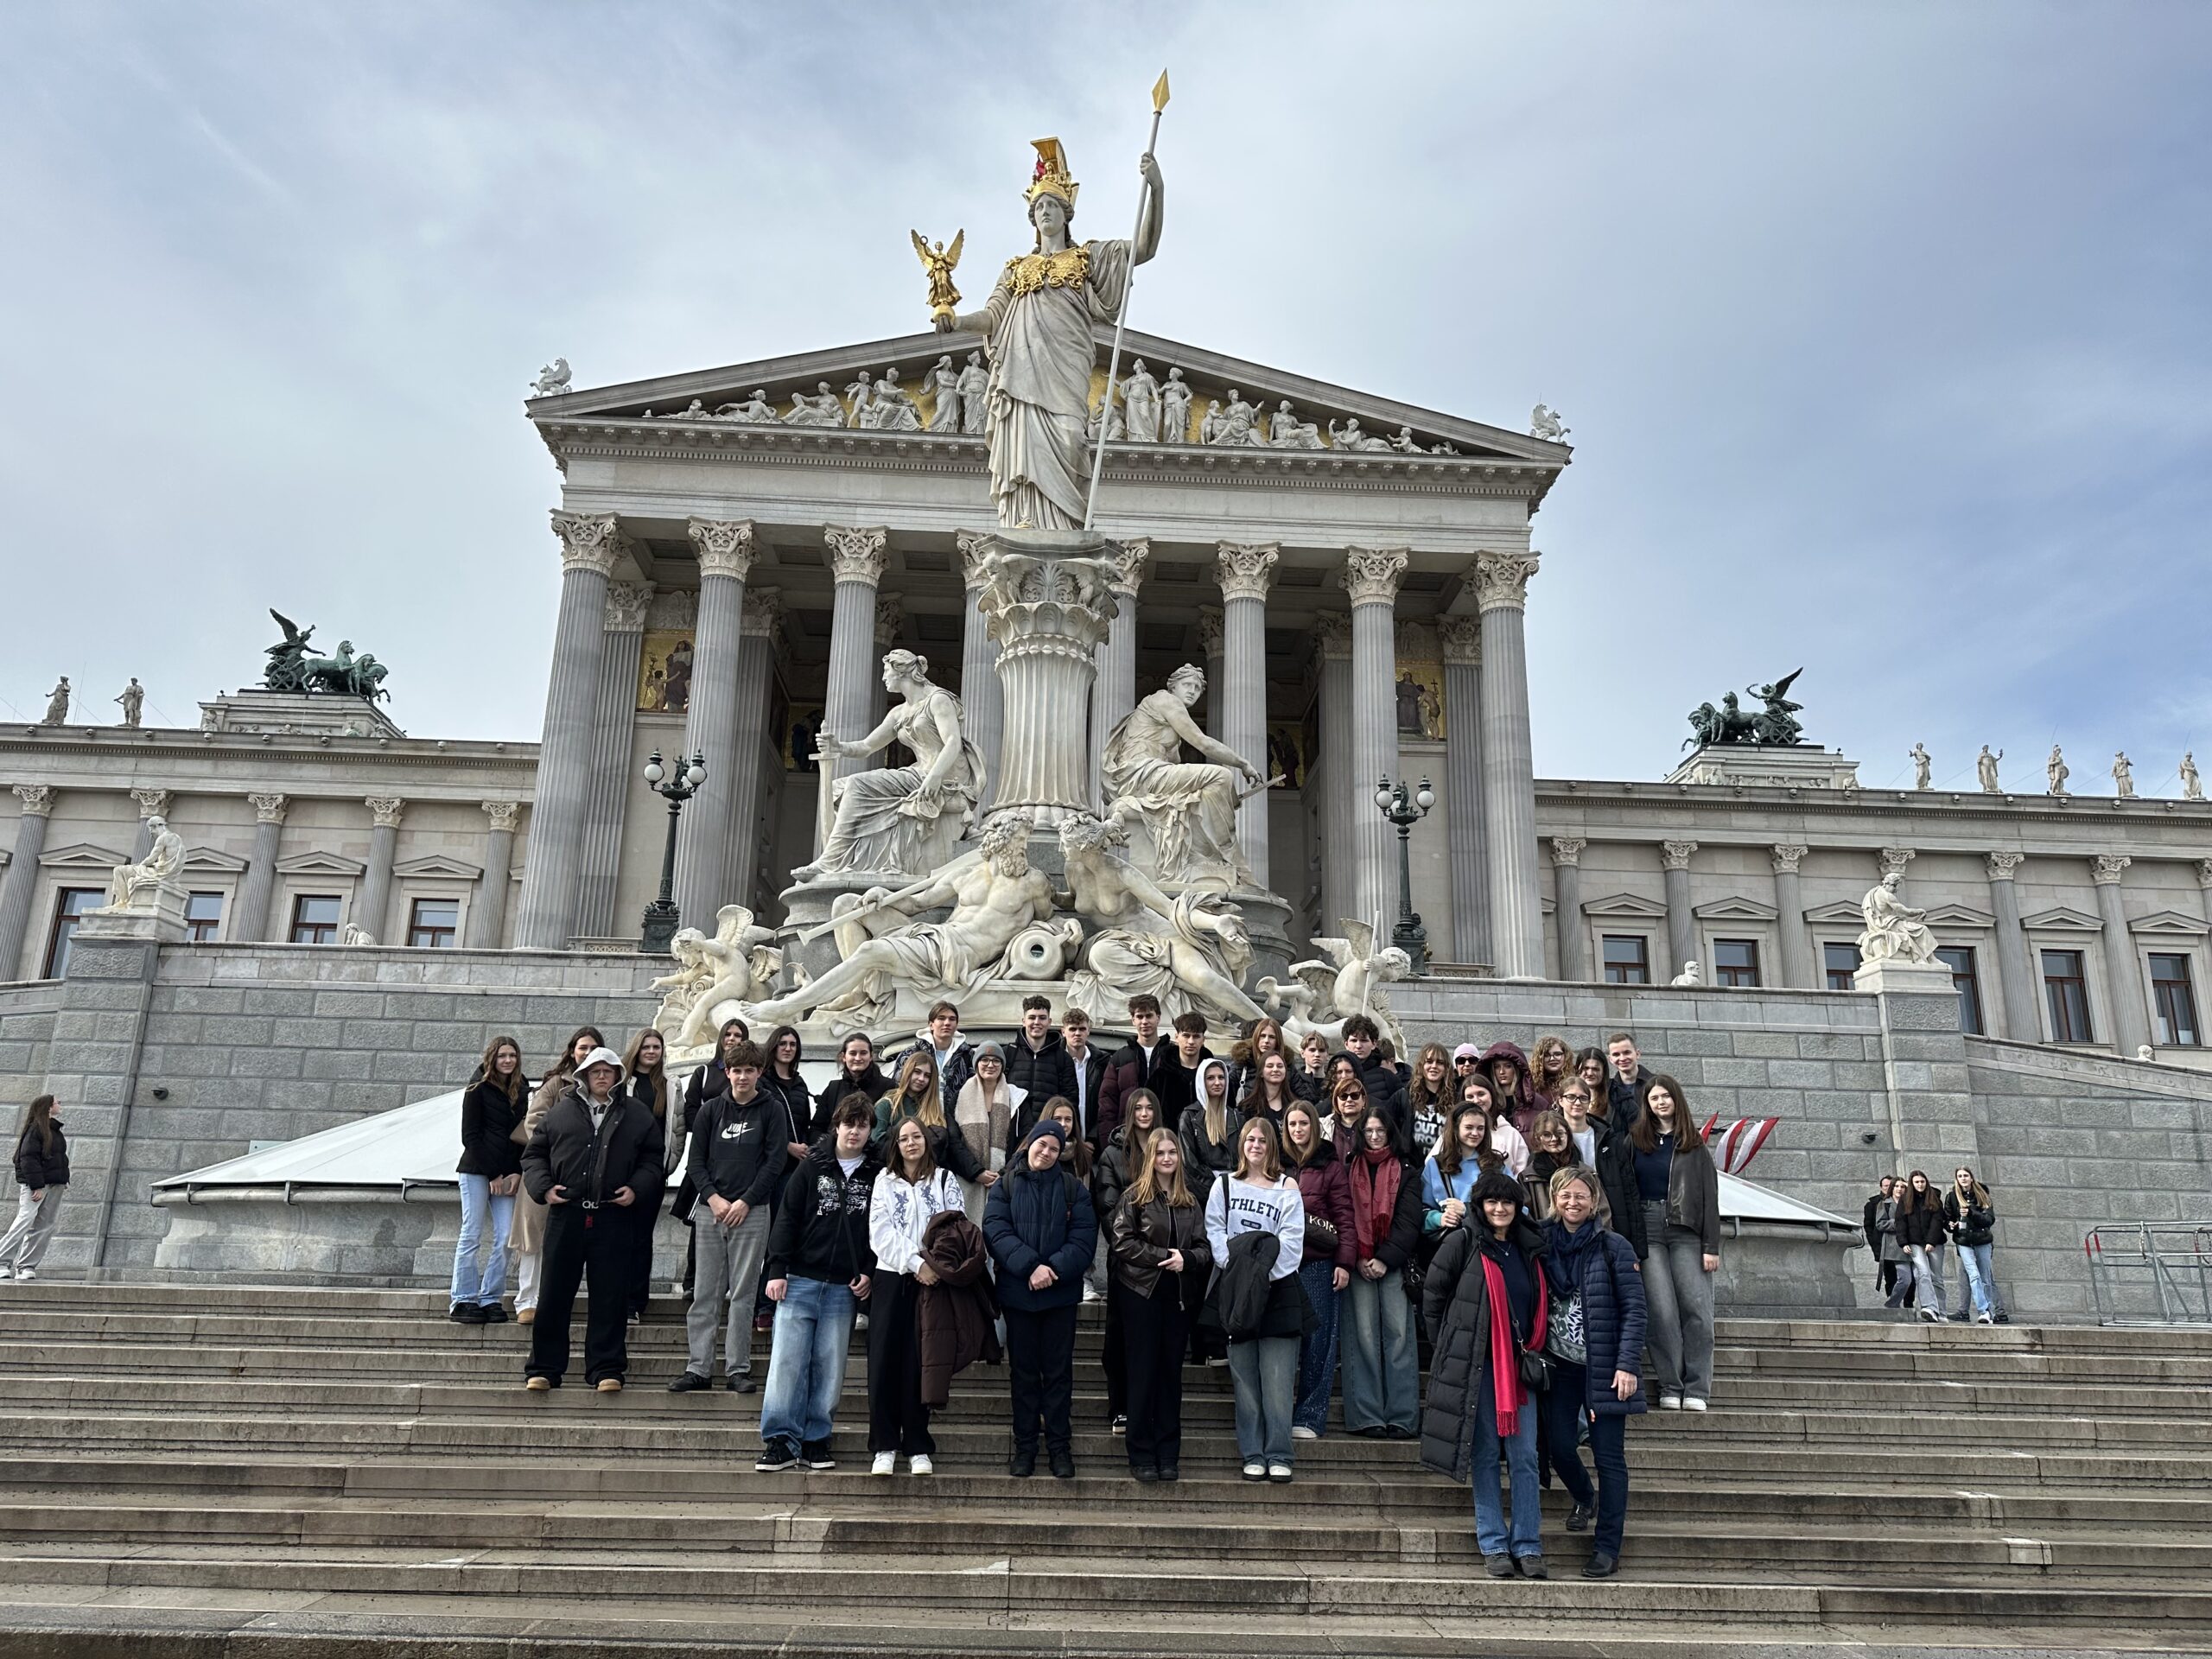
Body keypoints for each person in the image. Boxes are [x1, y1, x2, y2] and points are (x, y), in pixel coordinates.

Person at [1421, 1168, 1551, 1580]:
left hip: (1521, 1369)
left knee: (1525, 1458)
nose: (1500, 1209)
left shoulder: (1529, 1246)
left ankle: (1527, 1545)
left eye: (1507, 1202)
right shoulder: (1462, 1242)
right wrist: (1450, 1348)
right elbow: (1433, 1296)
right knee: (1485, 1455)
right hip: (1478, 1367)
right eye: (1492, 1202)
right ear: (1479, 1205)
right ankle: (1494, 1542)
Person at [520, 1046, 665, 1393]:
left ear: (618, 1075)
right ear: (584, 1075)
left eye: (608, 1071)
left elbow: (653, 1159)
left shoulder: (637, 1113)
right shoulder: (561, 1111)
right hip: (566, 1215)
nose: (602, 1076)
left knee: (610, 1296)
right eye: (595, 1071)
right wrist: (544, 1188)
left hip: (613, 1216)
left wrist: (636, 1188)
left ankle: (606, 1369)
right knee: (554, 1294)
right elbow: (534, 1155)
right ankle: (544, 1369)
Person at [757, 1098, 880, 1472]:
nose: (855, 1132)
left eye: (862, 1125)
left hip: (844, 1287)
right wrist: (777, 1269)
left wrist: (869, 1271)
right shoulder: (812, 1165)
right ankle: (781, 1439)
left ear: (870, 1130)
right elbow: (787, 1217)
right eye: (849, 1124)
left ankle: (816, 1439)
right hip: (800, 1279)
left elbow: (880, 1229)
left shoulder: (877, 1173)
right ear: (837, 1126)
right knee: (787, 1363)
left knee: (830, 1366)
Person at [1540, 1166, 1648, 1578]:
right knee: (1559, 1446)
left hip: (1604, 1368)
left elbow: (1635, 1309)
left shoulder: (1614, 1246)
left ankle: (1607, 1547)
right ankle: (1585, 1497)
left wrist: (1627, 1364)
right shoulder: (1541, 1240)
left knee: (1609, 1459)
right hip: (1560, 1366)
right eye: (1565, 1195)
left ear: (1594, 1200)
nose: (1573, 1202)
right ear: (1555, 1199)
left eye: (1581, 1195)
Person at [669, 1039, 787, 1395]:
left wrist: (746, 1201)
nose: (743, 1077)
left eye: (749, 1070)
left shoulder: (772, 1110)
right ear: (727, 1072)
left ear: (759, 1073)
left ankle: (737, 1369)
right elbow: (696, 1162)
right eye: (737, 1070)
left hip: (752, 1211)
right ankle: (698, 1368)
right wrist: (714, 1198)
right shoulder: (710, 1111)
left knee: (743, 1295)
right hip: (712, 1211)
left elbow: (775, 1162)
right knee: (705, 1293)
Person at [983, 1120, 1096, 1479]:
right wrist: (1031, 1267)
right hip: (1019, 1296)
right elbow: (995, 1231)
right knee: (1024, 1375)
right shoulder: (1005, 1185)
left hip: (1060, 1297)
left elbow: (1084, 1239)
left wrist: (1052, 1269)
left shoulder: (1073, 1189)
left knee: (1059, 1375)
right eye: (1042, 1144)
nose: (1046, 1153)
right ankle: (1026, 1447)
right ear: (1030, 1142)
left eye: (1054, 1148)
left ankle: (1060, 1448)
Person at [1205, 1116, 1306, 1482]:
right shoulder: (1224, 1185)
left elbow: (1292, 1242)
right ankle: (1252, 1452)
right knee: (1245, 1381)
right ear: (1241, 1144)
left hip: (1278, 1291)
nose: (1256, 1145)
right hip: (1237, 1292)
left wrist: (1262, 1275)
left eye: (1263, 1140)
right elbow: (1215, 1231)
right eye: (1250, 1139)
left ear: (1272, 1146)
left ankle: (1279, 1453)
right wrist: (1240, 1271)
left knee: (1278, 1382)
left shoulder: (1287, 1187)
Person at [1109, 1127, 1211, 1481]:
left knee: (1170, 1376)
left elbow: (1204, 1247)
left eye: (1172, 1152)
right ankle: (1140, 1453)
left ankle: (1168, 1452)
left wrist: (1188, 1259)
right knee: (1142, 1373)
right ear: (1150, 1157)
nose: (1167, 1158)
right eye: (1160, 1153)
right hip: (1141, 1293)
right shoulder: (1134, 1197)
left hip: (1177, 1297)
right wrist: (1164, 1257)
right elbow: (1121, 1242)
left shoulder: (1189, 1201)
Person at [866, 1116, 963, 1474]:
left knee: (922, 1363)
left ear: (926, 1141)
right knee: (884, 1362)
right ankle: (885, 1445)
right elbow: (879, 1232)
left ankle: (918, 1444)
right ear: (896, 1145)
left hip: (933, 1281)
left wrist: (933, 1266)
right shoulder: (884, 1180)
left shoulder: (945, 1179)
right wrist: (914, 1263)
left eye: (917, 1136)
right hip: (892, 1278)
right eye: (904, 1138)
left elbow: (957, 1227)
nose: (911, 1143)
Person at [1630, 1074, 1719, 1409]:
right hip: (1649, 1230)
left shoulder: (1693, 1144)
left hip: (1687, 1231)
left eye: (1665, 1096)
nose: (1660, 1103)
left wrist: (1711, 1246)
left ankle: (1697, 1389)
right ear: (1647, 1104)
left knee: (1697, 1310)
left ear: (1676, 1099)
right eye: (1654, 1098)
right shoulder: (1635, 1141)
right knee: (1661, 1311)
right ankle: (1671, 1384)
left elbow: (1710, 1198)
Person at [1341, 1105, 1424, 1440]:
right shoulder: (1348, 1168)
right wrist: (1359, 1258)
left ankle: (1402, 1416)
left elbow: (1409, 1221)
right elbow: (1344, 1215)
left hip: (1393, 1263)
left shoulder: (1407, 1171)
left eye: (1380, 1130)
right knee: (1362, 1337)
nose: (1374, 1136)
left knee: (1399, 1337)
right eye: (1369, 1131)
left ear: (1390, 1132)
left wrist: (1384, 1259)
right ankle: (1367, 1415)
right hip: (1358, 1263)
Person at [512, 1026, 604, 1325]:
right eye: (582, 1048)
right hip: (547, 1173)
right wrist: (556, 1154)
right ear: (572, 1051)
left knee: (567, 1244)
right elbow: (534, 1121)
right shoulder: (556, 1084)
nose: (587, 1053)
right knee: (533, 1238)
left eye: (593, 1048)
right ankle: (527, 1299)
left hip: (583, 1181)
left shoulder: (607, 1087)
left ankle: (553, 1300)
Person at [1091, 1087, 1167, 1431]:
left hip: (1163, 1262)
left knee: (1156, 1340)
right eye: (1138, 1108)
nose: (1144, 1113)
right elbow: (1107, 1207)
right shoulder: (1112, 1154)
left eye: (1150, 1107)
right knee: (1119, 1338)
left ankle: (1149, 1406)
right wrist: (1133, 1246)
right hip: (1125, 1261)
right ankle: (1119, 1406)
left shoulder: (1168, 1149)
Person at [1281, 1101, 1354, 1440]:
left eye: (1303, 1123)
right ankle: (1280, 1411)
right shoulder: (1276, 1163)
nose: (1298, 1130)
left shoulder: (1330, 1165)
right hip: (1281, 1265)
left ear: (1313, 1125)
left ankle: (1310, 1416)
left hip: (1318, 1262)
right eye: (1292, 1124)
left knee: (1320, 1341)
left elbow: (1344, 1216)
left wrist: (1343, 1262)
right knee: (1283, 1340)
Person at [449, 1036, 524, 1323]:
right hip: (476, 1171)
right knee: (471, 1233)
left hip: (506, 1173)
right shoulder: (477, 1089)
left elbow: (520, 1136)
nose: (508, 1060)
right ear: (492, 1058)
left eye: (512, 1055)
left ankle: (491, 1297)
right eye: (502, 1055)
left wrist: (516, 1171)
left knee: (505, 1237)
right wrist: (493, 1173)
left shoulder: (521, 1090)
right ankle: (463, 1299)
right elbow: (470, 1136)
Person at [619, 1027, 672, 1320]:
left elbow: (675, 1129)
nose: (651, 1052)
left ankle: (635, 1302)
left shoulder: (669, 1085)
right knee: (618, 1237)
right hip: (620, 1172)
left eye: (656, 1047)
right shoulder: (621, 1082)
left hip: (652, 1174)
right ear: (637, 1049)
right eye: (646, 1047)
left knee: (641, 1238)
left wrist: (668, 1165)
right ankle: (615, 1297)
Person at [0, 1096, 68, 1282]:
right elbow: (27, 1159)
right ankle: (2, 1261)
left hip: (55, 1185)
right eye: (57, 1102)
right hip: (37, 1186)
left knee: (45, 1226)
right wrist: (36, 1185)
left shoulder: (55, 1131)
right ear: (48, 1107)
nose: (60, 1105)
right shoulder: (36, 1130)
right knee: (25, 1220)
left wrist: (63, 1179)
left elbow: (59, 1158)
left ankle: (26, 1266)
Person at [950, 1043, 1017, 1223]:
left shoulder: (1016, 1098)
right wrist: (976, 1171)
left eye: (996, 1060)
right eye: (984, 1060)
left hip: (1005, 1180)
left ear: (1002, 1065)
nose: (990, 1065)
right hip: (968, 1177)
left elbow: (1024, 1141)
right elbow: (953, 1141)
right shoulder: (959, 1097)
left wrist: (1003, 1173)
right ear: (976, 1064)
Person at [1424, 1100, 1502, 1239]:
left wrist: (1468, 1210)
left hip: (1490, 1238)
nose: (1475, 1133)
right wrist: (1439, 1218)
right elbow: (1420, 1211)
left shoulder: (1495, 1164)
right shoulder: (1435, 1165)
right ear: (1455, 1128)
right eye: (1469, 1127)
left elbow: (1519, 1208)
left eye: (1480, 1128)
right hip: (1451, 1241)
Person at [1098, 995, 1170, 1146]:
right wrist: (1109, 1142)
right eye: (1139, 1017)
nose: (1144, 1021)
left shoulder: (1172, 1055)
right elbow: (1107, 1103)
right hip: (1127, 1139)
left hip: (1165, 1138)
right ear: (1133, 1020)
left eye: (1149, 1016)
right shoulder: (1119, 1058)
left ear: (1158, 1018)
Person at [889, 1001, 976, 1118]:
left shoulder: (968, 1056)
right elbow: (898, 1087)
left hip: (957, 1119)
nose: (947, 1023)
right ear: (931, 1024)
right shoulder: (910, 1054)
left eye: (952, 1019)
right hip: (916, 1118)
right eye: (941, 1018)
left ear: (956, 1025)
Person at [1007, 996, 1080, 1131]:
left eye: (1042, 1018)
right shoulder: (1008, 1054)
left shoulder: (1063, 1058)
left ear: (1049, 1022)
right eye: (1032, 1017)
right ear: (1024, 1021)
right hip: (1012, 1132)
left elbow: (1070, 1102)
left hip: (1048, 1133)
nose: (1037, 1022)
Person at [1945, 1167, 2003, 1324]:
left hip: (1982, 1240)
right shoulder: (1952, 1196)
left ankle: (1989, 1312)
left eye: (1966, 1175)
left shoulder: (1982, 1195)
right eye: (1960, 1176)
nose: (1963, 1178)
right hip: (1963, 1241)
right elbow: (1948, 1218)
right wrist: (1951, 1225)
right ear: (1956, 1179)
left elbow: (1989, 1220)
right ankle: (1983, 1310)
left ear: (1971, 1178)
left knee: (1985, 1277)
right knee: (1974, 1275)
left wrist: (1971, 1213)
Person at [1894, 1170, 1952, 1325]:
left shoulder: (1934, 1197)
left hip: (1935, 1242)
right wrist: (1903, 1242)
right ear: (1912, 1184)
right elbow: (1900, 1222)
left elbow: (1937, 1221)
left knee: (1936, 1278)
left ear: (1926, 1182)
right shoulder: (1905, 1200)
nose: (1920, 1184)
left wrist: (1931, 1241)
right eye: (1917, 1182)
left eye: (1922, 1181)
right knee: (1923, 1273)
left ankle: (1942, 1312)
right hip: (1915, 1243)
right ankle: (1929, 1307)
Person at [1179, 1056, 1238, 1195]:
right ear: (1201, 1081)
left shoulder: (1236, 1116)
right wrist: (1215, 1188)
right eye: (1210, 1078)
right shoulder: (1189, 1117)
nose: (1217, 1082)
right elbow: (1189, 1164)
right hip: (1203, 1192)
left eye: (1221, 1077)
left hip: (1236, 1189)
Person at [814, 1033, 889, 1137]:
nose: (858, 1058)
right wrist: (827, 1145)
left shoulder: (888, 1087)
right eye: (853, 1053)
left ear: (871, 1056)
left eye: (863, 1053)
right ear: (844, 1057)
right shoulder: (833, 1089)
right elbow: (817, 1128)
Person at [1459, 1073, 1529, 1175]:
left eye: (1481, 1094)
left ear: (1492, 1095)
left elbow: (1522, 1173)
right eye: (1470, 1097)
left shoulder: (1511, 1134)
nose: (1476, 1101)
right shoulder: (1454, 1132)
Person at [1059, 1008, 1109, 1146]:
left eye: (1082, 1029)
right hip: (1062, 1141)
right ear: (1063, 1032)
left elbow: (1106, 1105)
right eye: (1072, 1029)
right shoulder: (1054, 1061)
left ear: (1088, 1031)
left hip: (1093, 1143)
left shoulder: (1102, 1062)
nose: (1077, 1033)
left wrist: (1093, 1139)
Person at [1522, 1110, 1578, 1222]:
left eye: (1559, 1133)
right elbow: (1526, 1218)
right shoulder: (1527, 1178)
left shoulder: (1585, 1172)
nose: (1554, 1139)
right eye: (1547, 1135)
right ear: (1537, 1137)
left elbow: (1601, 1213)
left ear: (1568, 1134)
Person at [1224, 1017, 1288, 1111]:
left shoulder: (1287, 1066)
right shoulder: (1241, 1065)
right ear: (1256, 1037)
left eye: (1272, 1037)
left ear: (1278, 1041)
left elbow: (1302, 1095)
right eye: (1262, 1036)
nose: (1266, 1041)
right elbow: (1225, 1099)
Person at [1404, 1043, 1457, 1159]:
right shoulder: (1406, 1096)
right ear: (1421, 1066)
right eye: (1429, 1061)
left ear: (1446, 1069)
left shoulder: (1456, 1098)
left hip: (1444, 1164)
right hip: (1414, 1165)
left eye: (1440, 1063)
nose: (1434, 1066)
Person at [1154, 1012, 1211, 1118]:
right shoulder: (1160, 1076)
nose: (1191, 1041)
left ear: (1203, 1040)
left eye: (1196, 1036)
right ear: (1177, 1037)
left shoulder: (1214, 1074)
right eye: (1186, 1035)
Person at [1480, 1040, 1539, 1136]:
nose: (1501, 1072)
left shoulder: (1537, 1102)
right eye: (1496, 1067)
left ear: (1517, 1068)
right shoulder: (1486, 1101)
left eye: (1508, 1066)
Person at [1877, 1177, 1916, 1313]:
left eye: (1903, 1186)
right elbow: (1880, 1224)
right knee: (1905, 1279)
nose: (1899, 1189)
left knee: (1918, 1278)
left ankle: (1909, 1305)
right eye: (1897, 1186)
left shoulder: (1911, 1203)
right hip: (1895, 1247)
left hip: (1913, 1244)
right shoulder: (1885, 1204)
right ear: (1892, 1188)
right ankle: (1892, 1304)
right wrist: (1898, 1222)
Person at [1243, 1051, 1299, 1135]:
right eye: (1270, 1066)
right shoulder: (1249, 1106)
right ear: (1261, 1073)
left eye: (1280, 1066)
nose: (1275, 1069)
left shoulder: (1295, 1104)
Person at [1604, 1033, 1652, 1126]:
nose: (1622, 1058)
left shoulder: (1657, 1084)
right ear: (1610, 1059)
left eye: (1627, 1053)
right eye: (1616, 1054)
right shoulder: (1608, 1090)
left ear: (1637, 1054)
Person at [1529, 1034, 1573, 1108]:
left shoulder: (1574, 1083)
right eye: (1546, 1055)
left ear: (1566, 1056)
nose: (1552, 1058)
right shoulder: (1531, 1085)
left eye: (1557, 1054)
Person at [1293, 1031, 1332, 1104]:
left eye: (1321, 1050)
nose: (1317, 1054)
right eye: (1312, 1050)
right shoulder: (1294, 1081)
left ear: (1327, 1055)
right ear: (1302, 1053)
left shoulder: (1333, 1082)